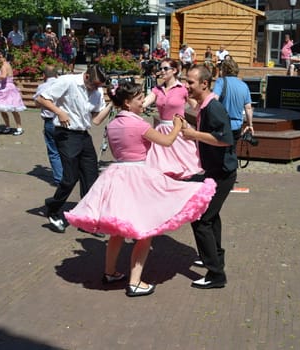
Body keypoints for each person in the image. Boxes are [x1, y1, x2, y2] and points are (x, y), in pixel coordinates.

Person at [64, 80, 216, 297]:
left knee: (117, 231)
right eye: (138, 100)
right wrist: (176, 125)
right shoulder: (138, 124)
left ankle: (110, 272)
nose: (142, 103)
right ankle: (135, 282)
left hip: (117, 175)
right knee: (145, 230)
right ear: (127, 103)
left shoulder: (113, 124)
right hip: (138, 175)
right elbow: (167, 142)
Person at [36, 65, 112, 233]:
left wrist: (112, 103)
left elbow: (97, 120)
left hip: (84, 135)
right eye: (95, 84)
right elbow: (41, 98)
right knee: (70, 178)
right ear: (86, 77)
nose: (97, 88)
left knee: (91, 177)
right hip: (66, 134)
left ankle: (86, 218)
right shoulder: (68, 81)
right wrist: (59, 112)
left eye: (100, 86)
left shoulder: (97, 92)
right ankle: (53, 208)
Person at [181, 65, 237, 289]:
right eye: (186, 81)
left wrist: (194, 134)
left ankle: (215, 274)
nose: (187, 85)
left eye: (191, 82)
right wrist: (192, 130)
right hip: (214, 172)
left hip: (222, 173)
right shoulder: (206, 106)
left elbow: (225, 139)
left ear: (204, 83)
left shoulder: (213, 107)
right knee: (210, 217)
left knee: (201, 220)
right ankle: (215, 259)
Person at [142, 58, 203, 179]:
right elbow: (143, 103)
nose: (162, 71)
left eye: (165, 68)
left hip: (178, 129)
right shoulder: (157, 90)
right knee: (161, 167)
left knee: (182, 165)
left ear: (174, 70)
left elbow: (197, 107)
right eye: (161, 69)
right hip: (161, 130)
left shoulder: (183, 89)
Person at [212, 59, 254, 149]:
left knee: (219, 153)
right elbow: (248, 108)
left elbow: (214, 99)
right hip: (237, 127)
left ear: (224, 70)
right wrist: (250, 125)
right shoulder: (244, 85)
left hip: (222, 125)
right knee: (232, 151)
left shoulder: (221, 82)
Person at [34, 65, 62, 185]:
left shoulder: (42, 87)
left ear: (44, 76)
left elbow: (36, 103)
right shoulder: (62, 84)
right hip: (63, 120)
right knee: (66, 149)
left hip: (50, 120)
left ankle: (59, 178)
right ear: (56, 75)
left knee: (53, 150)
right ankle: (70, 175)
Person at [0, 51, 26, 135]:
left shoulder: (4, 66)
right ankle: (11, 127)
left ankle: (17, 127)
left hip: (6, 88)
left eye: (0, 57)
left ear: (4, 58)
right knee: (4, 109)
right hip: (7, 87)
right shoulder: (8, 64)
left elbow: (3, 76)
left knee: (12, 109)